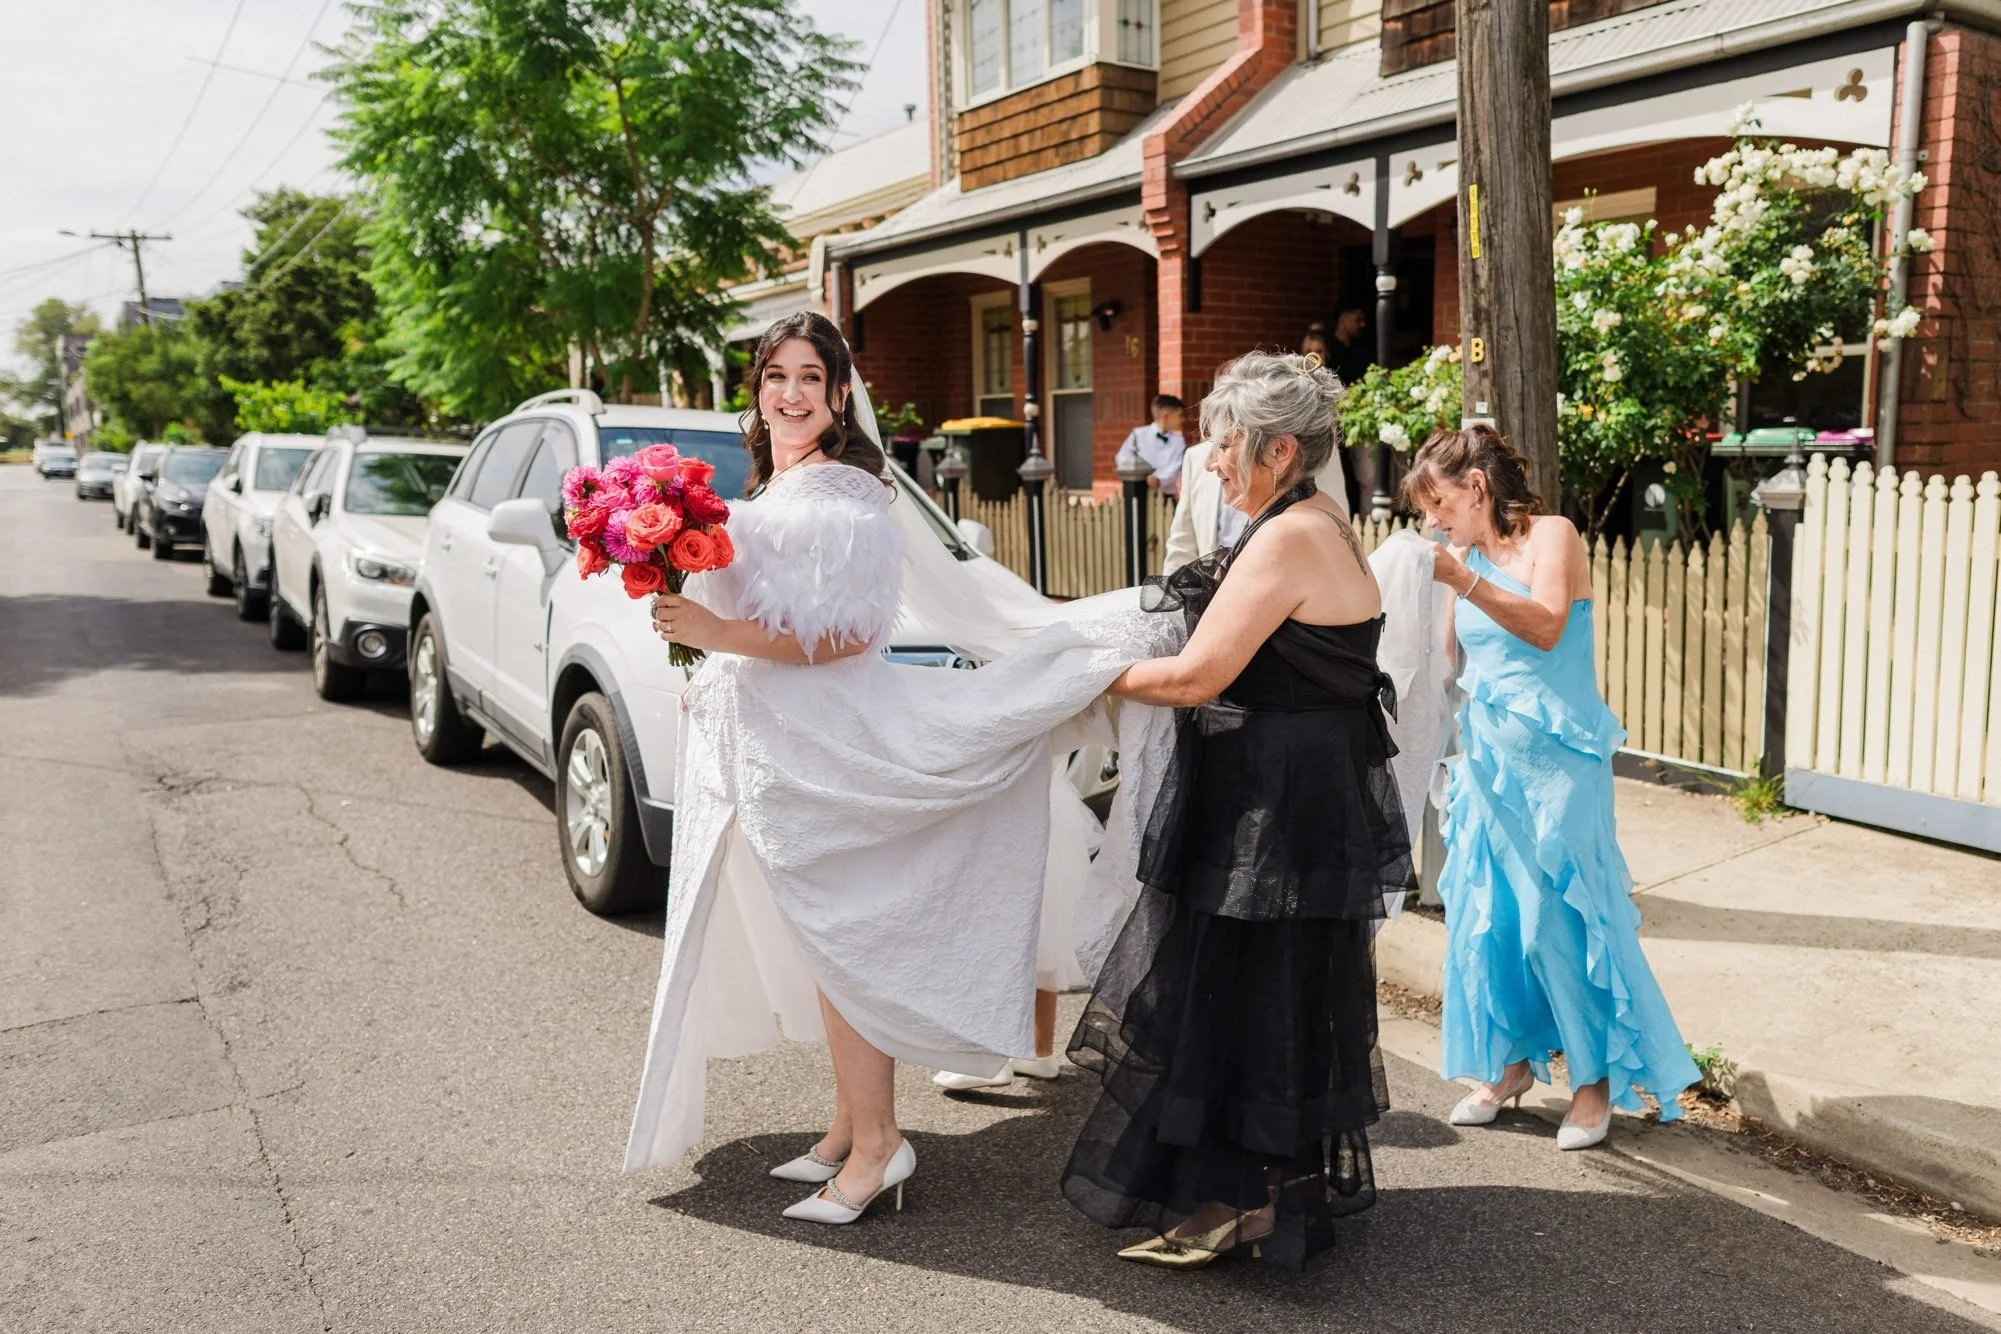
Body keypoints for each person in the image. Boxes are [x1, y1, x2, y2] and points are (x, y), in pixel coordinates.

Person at [624, 312, 1149, 1224]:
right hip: (774, 744)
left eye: (810, 379)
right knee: (825, 942)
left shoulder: (839, 497)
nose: (790, 394)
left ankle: (877, 1149)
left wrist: (714, 634)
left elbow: (850, 635)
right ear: (757, 387)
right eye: (776, 376)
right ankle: (845, 1123)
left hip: (829, 746)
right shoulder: (776, 485)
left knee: (844, 943)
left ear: (837, 396)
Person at [1061, 351, 1412, 1271]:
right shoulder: (1309, 518)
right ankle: (1257, 1196)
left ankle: (1230, 1200)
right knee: (1268, 992)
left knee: (1242, 992)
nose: (1208, 462)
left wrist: (1079, 677)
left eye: (1223, 445)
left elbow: (1196, 676)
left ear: (1279, 449)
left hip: (1279, 804)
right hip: (1290, 788)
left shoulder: (1292, 535)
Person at [1402, 425, 1698, 1150]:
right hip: (1485, 760)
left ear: (1475, 488)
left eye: (1438, 503)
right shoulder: (1461, 556)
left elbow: (1543, 626)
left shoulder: (1552, 536)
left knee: (1559, 922)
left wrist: (1459, 578)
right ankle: (1507, 1067)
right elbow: (1449, 663)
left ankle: (1593, 1082)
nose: (1432, 521)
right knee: (1487, 914)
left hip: (1560, 762)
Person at [1165, 434, 1348, 572]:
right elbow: (1182, 548)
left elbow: (1337, 537)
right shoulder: (1195, 456)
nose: (1209, 464)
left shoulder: (1312, 455)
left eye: (1225, 445)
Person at [1114, 394, 1187, 495]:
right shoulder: (1138, 434)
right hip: (1138, 491)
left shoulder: (1179, 441)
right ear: (1166, 416)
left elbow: (1175, 466)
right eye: (1179, 415)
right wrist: (1141, 476)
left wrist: (1158, 479)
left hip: (1165, 495)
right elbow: (1122, 457)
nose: (1182, 420)